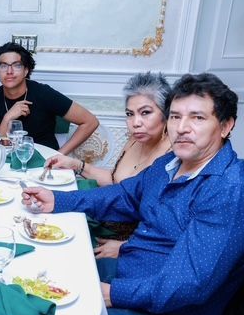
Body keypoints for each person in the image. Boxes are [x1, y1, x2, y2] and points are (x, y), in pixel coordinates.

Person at [21, 73, 244, 315]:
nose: (182, 128)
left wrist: (112, 294)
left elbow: (187, 285)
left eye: (198, 118)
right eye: (175, 116)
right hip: (129, 273)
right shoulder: (171, 163)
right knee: (33, 281)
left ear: (226, 126)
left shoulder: (231, 192)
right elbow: (125, 196)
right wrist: (58, 201)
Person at [46, 72, 172, 257]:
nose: (135, 123)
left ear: (166, 114)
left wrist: (124, 246)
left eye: (145, 112)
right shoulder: (135, 141)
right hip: (105, 223)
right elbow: (116, 182)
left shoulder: (172, 156)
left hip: (133, 244)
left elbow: (167, 225)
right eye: (130, 114)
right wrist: (76, 164)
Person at [0, 42, 98, 154]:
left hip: (46, 161)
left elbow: (90, 122)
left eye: (17, 65)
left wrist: (58, 155)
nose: (9, 71)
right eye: (3, 66)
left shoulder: (44, 94)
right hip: (8, 161)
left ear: (26, 71)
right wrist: (7, 118)